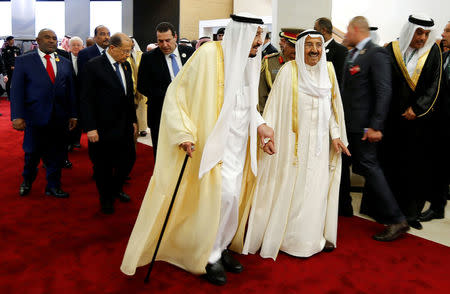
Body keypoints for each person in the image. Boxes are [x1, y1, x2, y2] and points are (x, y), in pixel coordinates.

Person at [120, 13, 275, 286]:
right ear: (240, 36)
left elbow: (245, 103)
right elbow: (176, 96)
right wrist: (183, 132)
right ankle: (207, 255)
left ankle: (222, 246)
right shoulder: (207, 56)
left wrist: (261, 126)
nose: (260, 43)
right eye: (256, 36)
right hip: (213, 146)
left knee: (234, 198)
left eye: (261, 37)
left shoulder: (249, 61)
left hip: (240, 145)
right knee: (222, 197)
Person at [232, 29, 349, 259]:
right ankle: (288, 240)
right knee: (294, 191)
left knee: (316, 192)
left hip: (319, 147)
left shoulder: (329, 71)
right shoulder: (289, 71)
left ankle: (312, 238)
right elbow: (274, 109)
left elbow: (333, 110)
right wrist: (268, 138)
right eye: (309, 45)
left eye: (318, 45)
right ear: (300, 47)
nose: (314, 50)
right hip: (293, 146)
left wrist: (336, 135)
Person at [342, 16, 409, 241]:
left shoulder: (376, 53)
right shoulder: (353, 53)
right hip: (348, 125)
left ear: (354, 29)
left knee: (370, 168)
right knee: (344, 166)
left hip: (363, 127)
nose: (345, 35)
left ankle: (396, 219)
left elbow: (383, 91)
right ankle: (343, 207)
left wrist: (376, 126)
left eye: (347, 31)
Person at [383, 14, 442, 229]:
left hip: (419, 123)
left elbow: (435, 85)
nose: (423, 38)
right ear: (410, 31)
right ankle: (392, 213)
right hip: (393, 121)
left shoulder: (433, 52)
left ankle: (411, 214)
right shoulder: (393, 49)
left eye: (427, 34)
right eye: (419, 32)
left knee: (415, 169)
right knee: (393, 166)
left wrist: (417, 109)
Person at [10, 29, 77, 198]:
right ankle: (27, 181)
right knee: (32, 154)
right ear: (38, 40)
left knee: (56, 154)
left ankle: (53, 186)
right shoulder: (24, 61)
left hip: (59, 118)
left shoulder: (64, 62)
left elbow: (71, 91)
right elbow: (17, 90)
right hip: (35, 117)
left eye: (54, 38)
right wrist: (17, 116)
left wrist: (73, 114)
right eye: (47, 37)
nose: (52, 41)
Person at [80, 33, 137, 215]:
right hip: (101, 127)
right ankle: (106, 199)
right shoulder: (93, 66)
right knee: (103, 166)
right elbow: (85, 100)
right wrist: (90, 127)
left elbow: (128, 96)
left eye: (130, 51)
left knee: (128, 159)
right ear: (112, 48)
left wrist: (134, 121)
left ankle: (115, 189)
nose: (128, 54)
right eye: (125, 51)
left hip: (124, 125)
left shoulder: (126, 66)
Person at [137, 22, 195, 156]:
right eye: (160, 41)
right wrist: (169, 96)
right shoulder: (148, 58)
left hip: (189, 111)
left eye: (168, 40)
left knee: (189, 152)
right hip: (160, 113)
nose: (164, 45)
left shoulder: (190, 52)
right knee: (162, 153)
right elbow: (142, 86)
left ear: (175, 37)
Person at [419, 21, 450, 222]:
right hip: (440, 123)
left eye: (447, 31)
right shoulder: (444, 56)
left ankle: (437, 206)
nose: (443, 34)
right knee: (439, 165)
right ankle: (437, 206)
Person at [258, 28, 302, 113]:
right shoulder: (270, 62)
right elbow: (261, 96)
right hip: (275, 114)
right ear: (283, 42)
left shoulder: (306, 64)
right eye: (293, 46)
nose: (296, 50)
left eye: (300, 47)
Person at [314, 17, 348, 86]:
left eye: (315, 29)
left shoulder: (341, 50)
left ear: (323, 30)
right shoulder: (315, 49)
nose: (313, 32)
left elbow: (340, 78)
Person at [128, 38, 148, 137]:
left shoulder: (140, 54)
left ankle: (143, 128)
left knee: (142, 109)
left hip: (141, 84)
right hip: (130, 84)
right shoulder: (124, 55)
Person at [67, 36, 84, 150]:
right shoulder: (64, 58)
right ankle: (68, 141)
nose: (76, 47)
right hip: (68, 94)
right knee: (69, 118)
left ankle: (76, 140)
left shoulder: (85, 58)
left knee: (80, 117)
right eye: (73, 45)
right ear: (69, 47)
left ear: (82, 47)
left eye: (78, 45)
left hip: (82, 95)